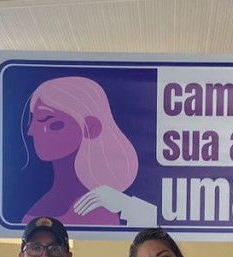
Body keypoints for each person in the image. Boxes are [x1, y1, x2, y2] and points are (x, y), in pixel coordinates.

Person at [23, 75, 157, 227]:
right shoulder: (44, 204)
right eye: (33, 120)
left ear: (91, 127)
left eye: (46, 119)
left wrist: (131, 207)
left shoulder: (97, 208)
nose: (31, 131)